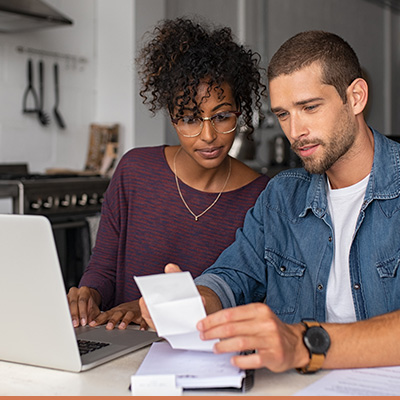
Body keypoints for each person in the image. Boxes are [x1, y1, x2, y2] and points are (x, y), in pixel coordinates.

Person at [141, 30, 400, 373]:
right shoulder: (281, 196)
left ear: (355, 97)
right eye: (283, 114)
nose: (295, 131)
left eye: (309, 107)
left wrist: (304, 345)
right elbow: (233, 275)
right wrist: (197, 301)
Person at [67, 17, 269, 330]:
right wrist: (89, 294)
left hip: (205, 355)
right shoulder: (134, 171)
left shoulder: (262, 197)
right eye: (189, 119)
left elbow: (248, 295)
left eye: (222, 116)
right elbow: (104, 268)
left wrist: (151, 308)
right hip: (121, 344)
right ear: (172, 119)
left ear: (239, 112)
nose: (208, 136)